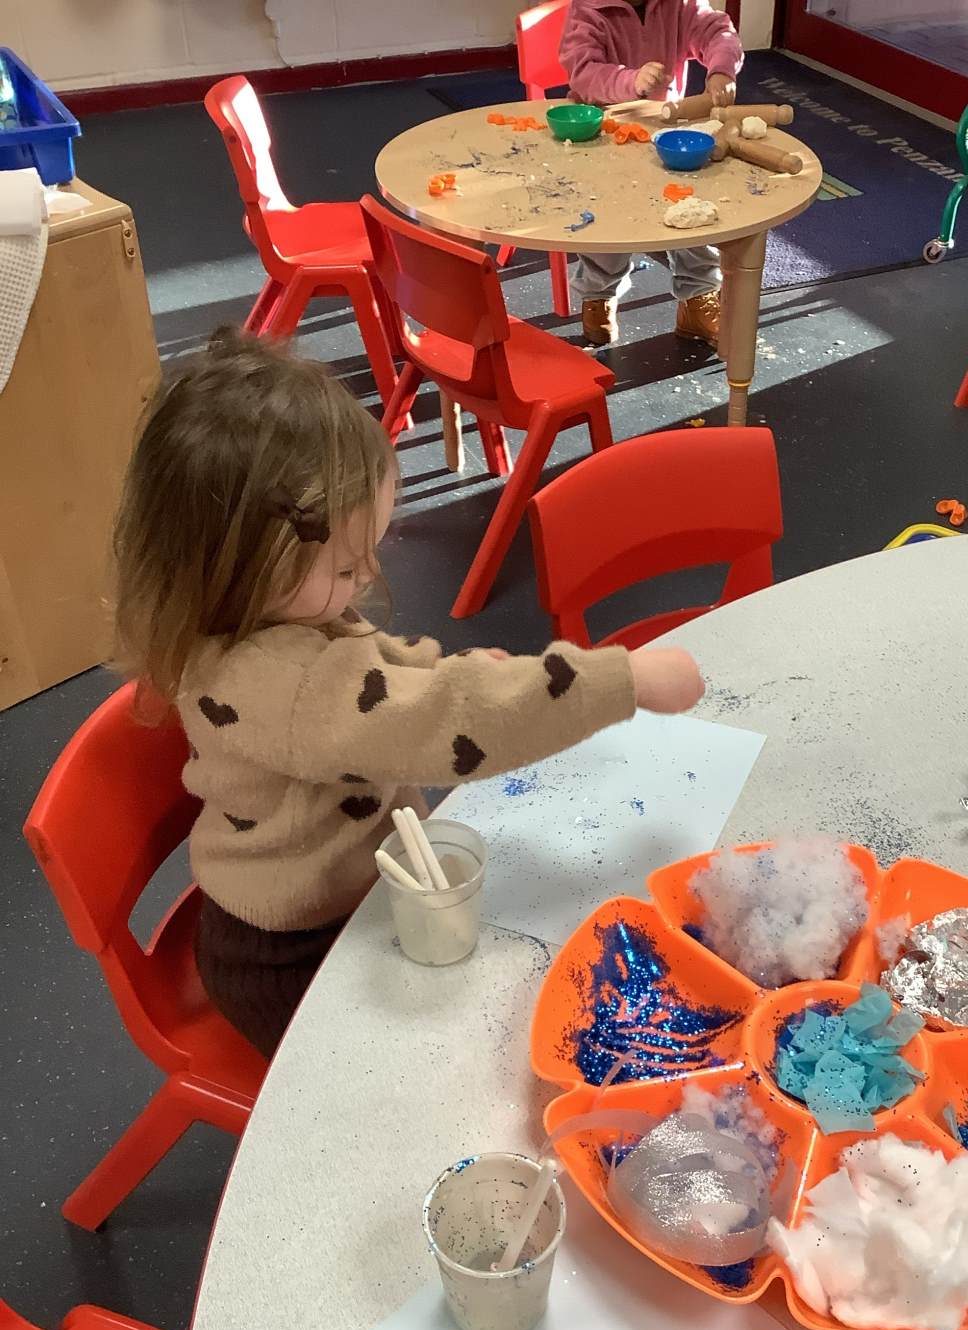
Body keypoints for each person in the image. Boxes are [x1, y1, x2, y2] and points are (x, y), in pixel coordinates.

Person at [110, 330, 704, 1058]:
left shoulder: (250, 610)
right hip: (293, 957)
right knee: (446, 1060)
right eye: (345, 565)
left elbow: (374, 667)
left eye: (370, 553)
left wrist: (450, 672)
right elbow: (441, 723)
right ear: (235, 562)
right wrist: (624, 681)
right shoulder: (285, 688)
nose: (365, 577)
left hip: (342, 900)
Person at [558, 0, 744, 349]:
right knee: (607, 222)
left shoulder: (680, 4)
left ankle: (698, 297)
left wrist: (721, 70)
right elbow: (583, 71)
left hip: (665, 130)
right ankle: (599, 294)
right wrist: (631, 80)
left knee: (690, 210)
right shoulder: (589, 8)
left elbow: (717, 31)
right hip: (602, 133)